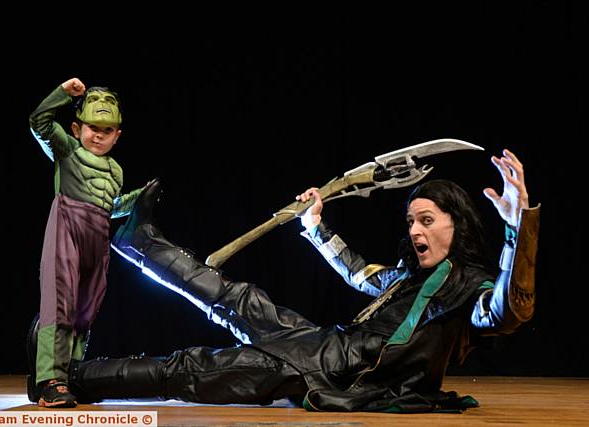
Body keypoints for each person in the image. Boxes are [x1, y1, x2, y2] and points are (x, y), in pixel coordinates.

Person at [56, 149, 537, 412]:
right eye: (411, 221)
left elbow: (509, 308)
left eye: (427, 220)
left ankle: (71, 377)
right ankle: (137, 237)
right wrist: (314, 225)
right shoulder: (409, 279)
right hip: (320, 345)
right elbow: (360, 273)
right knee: (235, 296)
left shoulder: (469, 288)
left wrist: (518, 228)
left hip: (329, 371)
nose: (414, 230)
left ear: (459, 223)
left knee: (192, 368)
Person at [27, 78, 147, 408]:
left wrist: (139, 197)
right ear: (77, 127)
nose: (98, 135)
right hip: (68, 223)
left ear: (117, 135)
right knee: (60, 301)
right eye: (92, 127)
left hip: (98, 234)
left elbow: (111, 206)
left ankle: (72, 374)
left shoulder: (116, 170)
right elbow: (39, 123)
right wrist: (63, 93)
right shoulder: (68, 150)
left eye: (106, 130)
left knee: (85, 309)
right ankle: (50, 379)